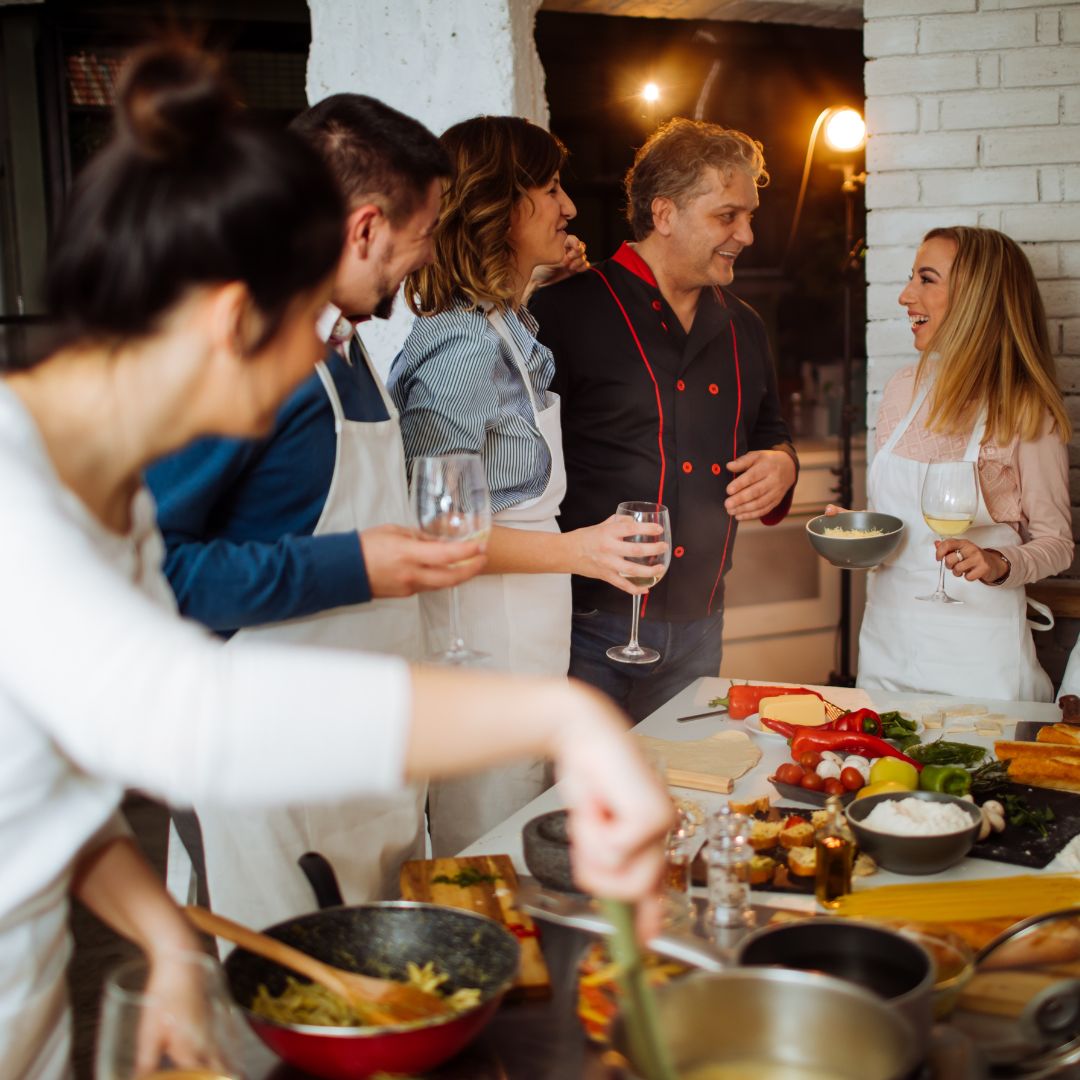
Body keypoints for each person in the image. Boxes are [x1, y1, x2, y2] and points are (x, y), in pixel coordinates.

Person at [0, 43, 673, 1079]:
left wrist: (174, 939)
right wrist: (563, 717)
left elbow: (68, 794)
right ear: (232, 322)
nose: (319, 368)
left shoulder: (111, 500)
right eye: (296, 354)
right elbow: (189, 720)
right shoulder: (20, 499)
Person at [145, 93, 483, 931]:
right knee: (284, 1018)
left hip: (355, 760)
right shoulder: (242, 345)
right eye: (426, 230)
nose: (426, 254)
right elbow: (152, 568)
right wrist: (357, 564)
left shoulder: (343, 336)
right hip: (264, 773)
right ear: (365, 228)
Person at [389, 116, 668, 854]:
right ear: (500, 208)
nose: (569, 207)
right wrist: (585, 552)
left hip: (525, 622)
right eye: (548, 188)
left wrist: (535, 277)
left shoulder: (502, 325)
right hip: (481, 633)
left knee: (518, 809)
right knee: (484, 834)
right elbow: (435, 532)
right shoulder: (460, 345)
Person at [528, 118, 798, 723]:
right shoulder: (563, 309)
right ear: (665, 212)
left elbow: (769, 430)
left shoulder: (745, 326)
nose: (747, 235)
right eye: (728, 216)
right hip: (587, 628)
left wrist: (782, 463)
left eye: (750, 216)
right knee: (581, 807)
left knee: (682, 799)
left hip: (704, 624)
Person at [841, 226, 1073, 701]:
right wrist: (858, 534)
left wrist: (997, 562)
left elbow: (1058, 543)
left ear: (977, 298)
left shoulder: (1026, 409)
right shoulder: (902, 391)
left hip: (980, 662)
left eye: (927, 279)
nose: (907, 296)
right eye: (911, 278)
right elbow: (898, 528)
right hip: (888, 648)